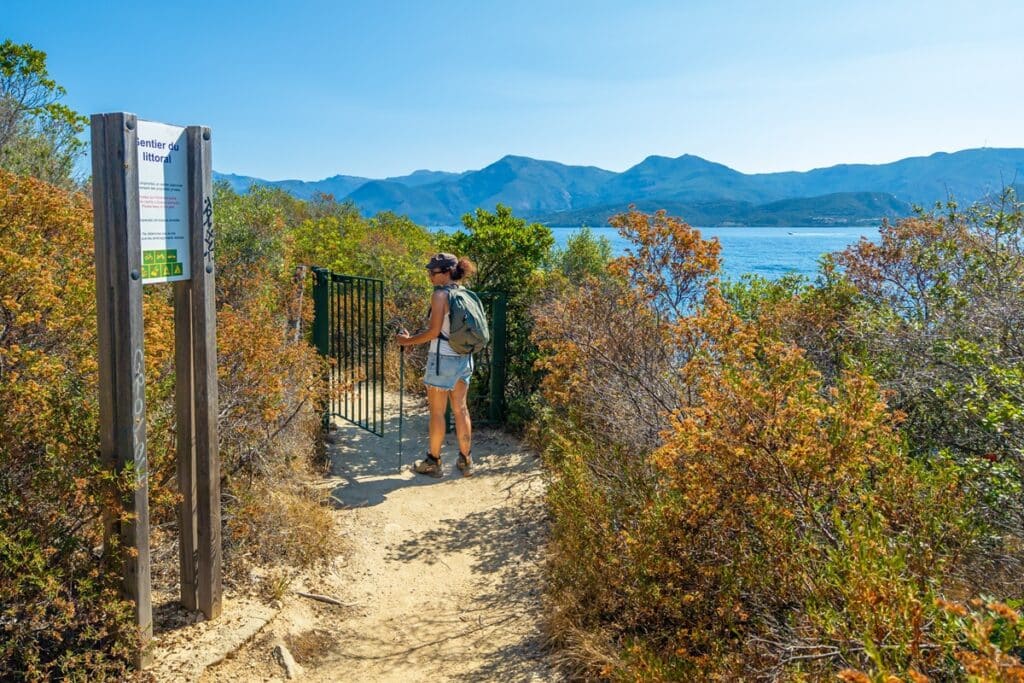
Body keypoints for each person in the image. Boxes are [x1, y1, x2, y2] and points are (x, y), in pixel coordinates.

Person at [395, 253, 477, 478]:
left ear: (447, 272)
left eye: (434, 272)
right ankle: (466, 460)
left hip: (442, 360)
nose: (430, 276)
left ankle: (433, 461)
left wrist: (406, 341)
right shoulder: (465, 294)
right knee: (461, 409)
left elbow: (433, 332)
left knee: (437, 413)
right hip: (465, 358)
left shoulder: (440, 296)